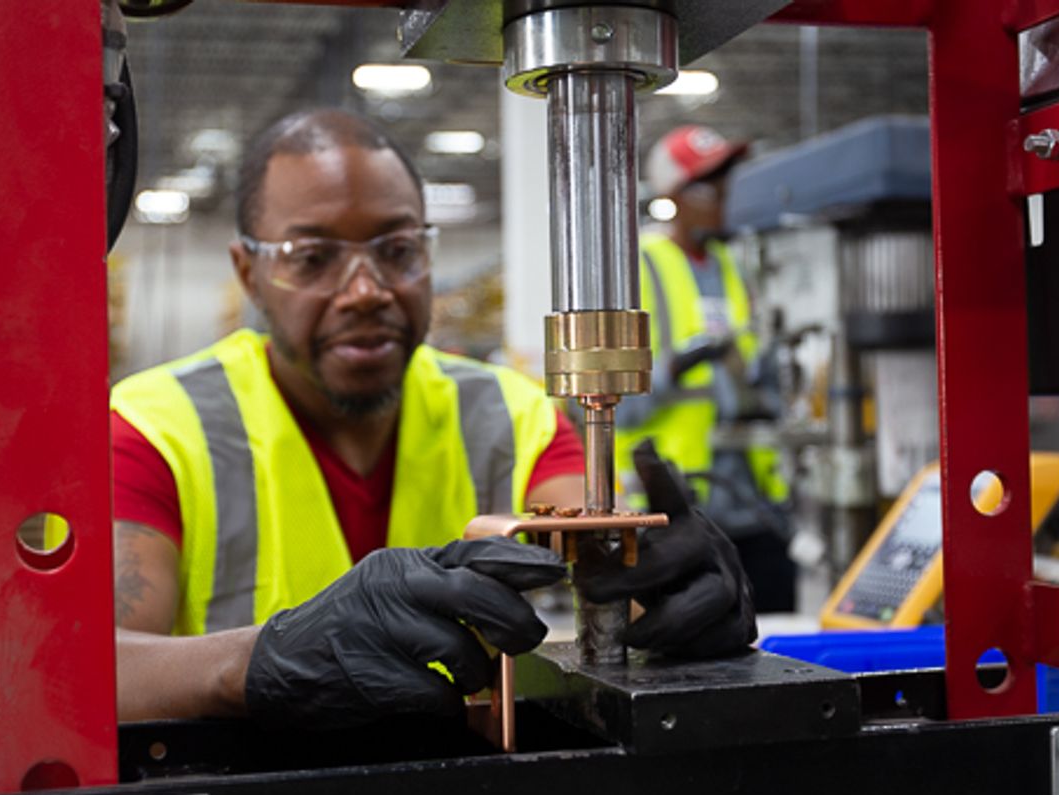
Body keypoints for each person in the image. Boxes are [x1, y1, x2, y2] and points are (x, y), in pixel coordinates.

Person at [110, 109, 755, 727]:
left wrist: (683, 602)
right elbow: (98, 666)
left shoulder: (512, 417)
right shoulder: (157, 430)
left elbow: (621, 578)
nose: (366, 290)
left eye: (397, 251)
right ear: (249, 272)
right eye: (313, 258)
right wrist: (253, 662)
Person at [616, 124, 797, 612]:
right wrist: (680, 366)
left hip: (751, 500)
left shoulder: (734, 266)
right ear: (672, 197)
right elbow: (617, 408)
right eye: (705, 187)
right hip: (672, 504)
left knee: (776, 631)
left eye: (724, 184)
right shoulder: (638, 268)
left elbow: (760, 375)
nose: (720, 199)